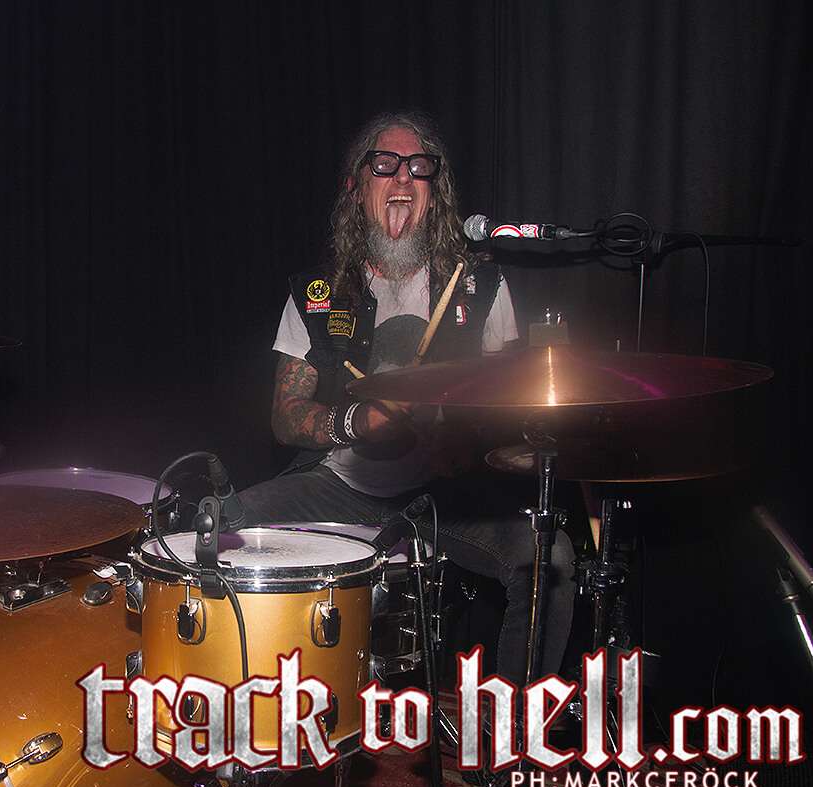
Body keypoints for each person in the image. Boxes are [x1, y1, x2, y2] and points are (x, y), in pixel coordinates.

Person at [237, 110, 575, 688]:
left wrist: (468, 441)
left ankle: (517, 727)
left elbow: (512, 405)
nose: (402, 178)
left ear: (434, 192)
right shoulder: (318, 293)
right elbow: (285, 416)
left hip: (443, 494)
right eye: (384, 165)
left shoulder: (479, 288)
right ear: (356, 188)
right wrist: (357, 423)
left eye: (419, 168)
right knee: (219, 528)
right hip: (340, 485)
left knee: (552, 561)